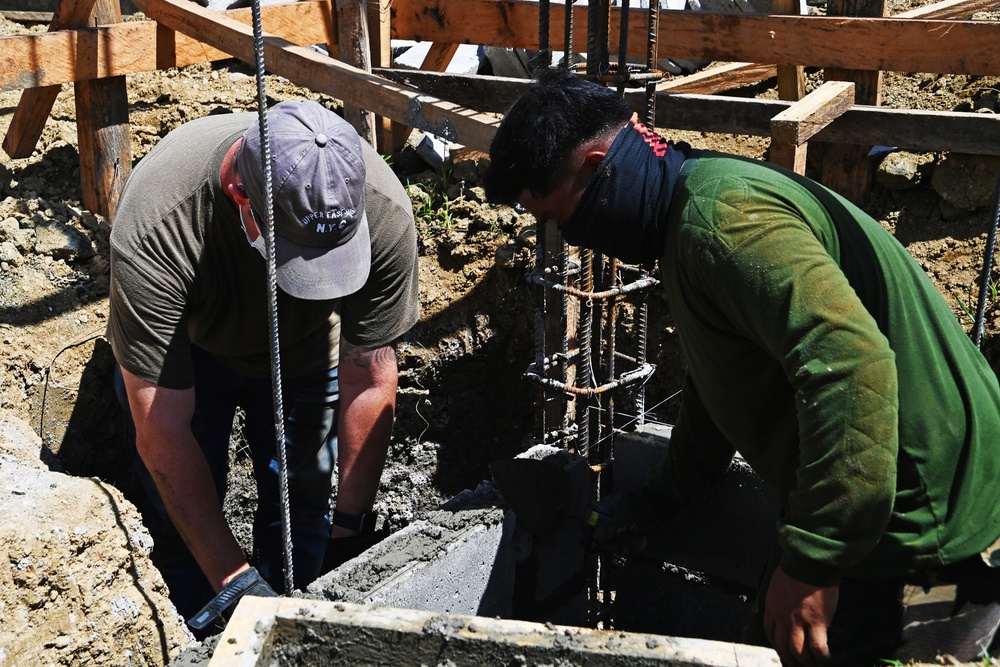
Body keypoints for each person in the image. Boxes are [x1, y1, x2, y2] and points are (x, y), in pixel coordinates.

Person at [484, 67, 1000, 666]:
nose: (566, 235)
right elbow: (722, 372)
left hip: (931, 531)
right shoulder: (688, 212)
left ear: (597, 168)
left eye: (557, 216)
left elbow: (850, 365)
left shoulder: (722, 224)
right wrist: (670, 492)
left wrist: (812, 560)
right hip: (881, 512)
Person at [107, 99, 419, 632]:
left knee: (303, 503)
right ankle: (199, 628)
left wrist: (349, 538)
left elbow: (370, 378)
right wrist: (234, 583)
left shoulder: (381, 207)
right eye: (301, 259)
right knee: (177, 515)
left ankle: (295, 599)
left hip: (306, 352)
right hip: (192, 356)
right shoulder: (161, 220)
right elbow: (161, 429)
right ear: (240, 198)